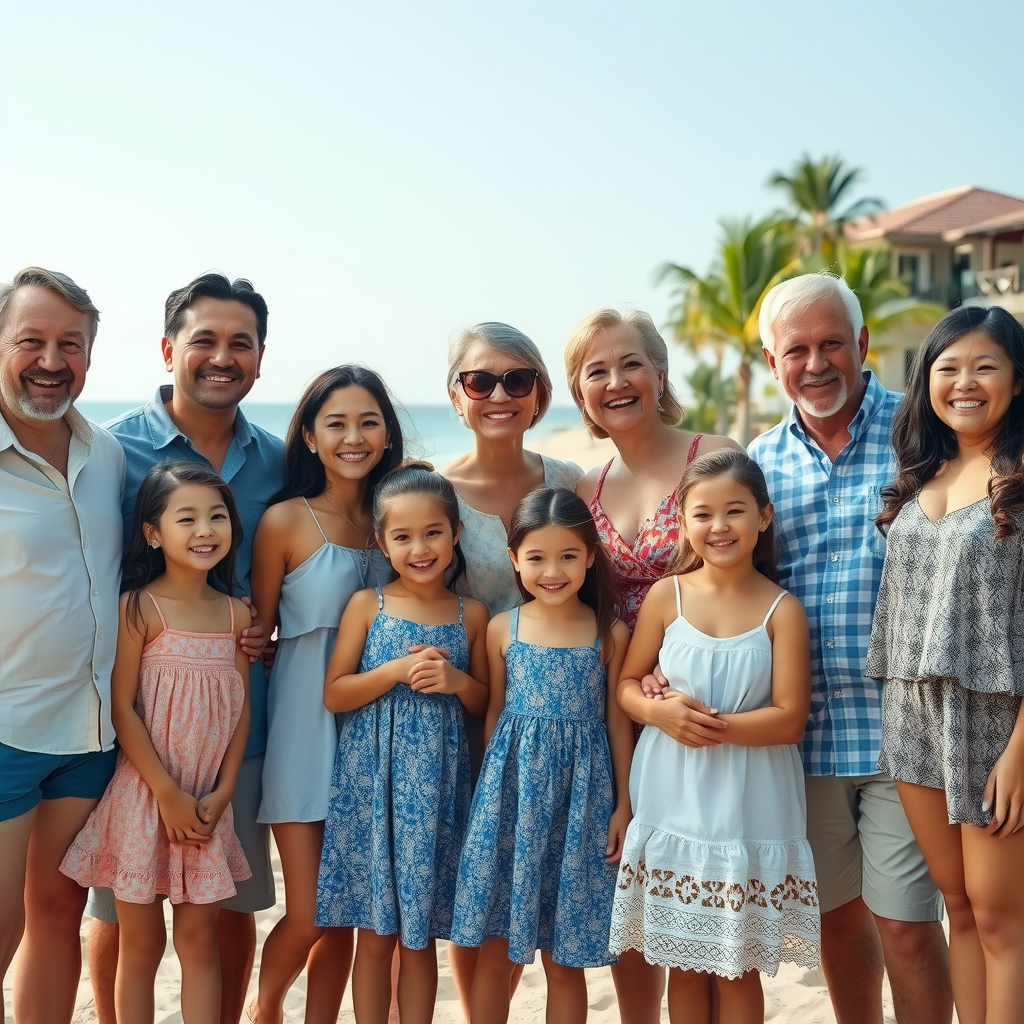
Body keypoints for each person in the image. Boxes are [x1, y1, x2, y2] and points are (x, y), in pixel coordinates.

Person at [746, 273, 951, 1024]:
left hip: (906, 734)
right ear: (773, 364)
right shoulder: (758, 462)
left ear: (862, 344)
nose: (816, 362)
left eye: (831, 342)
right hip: (803, 740)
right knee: (838, 920)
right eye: (795, 349)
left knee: (905, 922)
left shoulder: (926, 437)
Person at [90, 273, 284, 1024]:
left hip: (238, 728)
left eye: (241, 342)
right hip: (135, 734)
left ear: (261, 359)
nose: (221, 356)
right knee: (120, 913)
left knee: (227, 912)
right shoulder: (111, 449)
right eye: (204, 339)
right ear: (170, 348)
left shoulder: (279, 459)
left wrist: (263, 621)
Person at [564, 307, 740, 1023]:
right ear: (579, 391)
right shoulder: (584, 487)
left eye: (630, 363)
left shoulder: (714, 454)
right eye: (596, 370)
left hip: (697, 700)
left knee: (700, 885)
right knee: (629, 875)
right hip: (615, 699)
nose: (616, 381)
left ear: (659, 373)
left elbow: (753, 581)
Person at [613, 450, 819, 1024]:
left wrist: (706, 724)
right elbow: (628, 685)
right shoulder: (665, 596)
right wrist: (659, 716)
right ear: (683, 522)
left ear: (764, 517)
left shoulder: (783, 611)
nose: (719, 526)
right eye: (703, 514)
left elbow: (789, 718)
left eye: (735, 511)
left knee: (738, 963)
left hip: (749, 800)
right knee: (683, 959)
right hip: (671, 792)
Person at [866, 306, 1024, 1024]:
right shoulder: (922, 470)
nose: (964, 382)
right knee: (956, 905)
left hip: (998, 720)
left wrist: (1022, 749)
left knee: (1002, 920)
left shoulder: (1021, 480)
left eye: (985, 365)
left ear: (1017, 382)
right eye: (948, 367)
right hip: (912, 715)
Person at [62, 462, 252, 1023]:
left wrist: (224, 791)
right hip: (147, 799)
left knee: (200, 945)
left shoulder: (236, 613)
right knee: (139, 947)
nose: (204, 530)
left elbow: (240, 713)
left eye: (217, 516)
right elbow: (122, 708)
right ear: (153, 532)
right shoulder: (139, 607)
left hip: (207, 805)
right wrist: (167, 793)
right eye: (186, 517)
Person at [249, 366, 402, 1024]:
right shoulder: (284, 520)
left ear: (388, 433)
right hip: (302, 727)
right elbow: (256, 636)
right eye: (336, 423)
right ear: (309, 436)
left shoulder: (401, 516)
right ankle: (266, 1009)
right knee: (310, 910)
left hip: (382, 728)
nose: (353, 436)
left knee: (347, 913)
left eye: (368, 421)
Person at [451, 488, 633, 1024]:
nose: (552, 571)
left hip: (581, 806)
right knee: (493, 947)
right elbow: (493, 716)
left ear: (591, 556)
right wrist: (487, 801)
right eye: (535, 557)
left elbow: (618, 722)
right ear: (513, 558)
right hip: (510, 800)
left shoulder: (610, 634)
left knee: (562, 958)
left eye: (568, 556)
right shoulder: (501, 628)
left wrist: (623, 805)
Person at [316, 463, 489, 1024]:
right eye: (403, 536)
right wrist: (394, 671)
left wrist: (459, 682)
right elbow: (336, 694)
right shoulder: (369, 605)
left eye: (433, 532)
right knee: (375, 935)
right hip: (374, 787)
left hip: (437, 792)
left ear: (456, 533)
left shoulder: (473, 615)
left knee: (420, 939)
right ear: (381, 542)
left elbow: (485, 705)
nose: (420, 547)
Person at [443, 322, 580, 1015]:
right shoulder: (430, 490)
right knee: (477, 897)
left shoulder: (571, 483)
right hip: (457, 721)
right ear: (457, 395)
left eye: (517, 379)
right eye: (481, 380)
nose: (500, 393)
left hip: (552, 726)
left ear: (539, 394)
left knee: (541, 895)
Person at [0, 268, 124, 1024]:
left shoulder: (105, 453)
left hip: (91, 732)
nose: (51, 360)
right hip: (5, 730)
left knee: (57, 914)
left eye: (68, 344)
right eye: (31, 340)